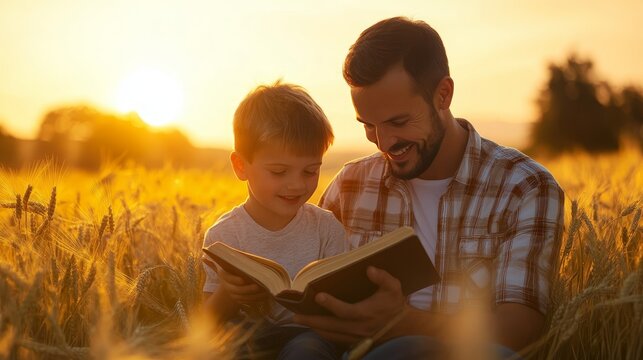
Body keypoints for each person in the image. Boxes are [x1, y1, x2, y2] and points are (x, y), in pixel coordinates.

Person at [294, 17, 565, 359]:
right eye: (369, 126)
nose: (384, 142)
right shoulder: (348, 187)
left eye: (398, 121)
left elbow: (517, 329)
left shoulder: (524, 187)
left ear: (443, 95)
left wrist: (403, 324)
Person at [201, 82, 347, 359]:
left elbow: (342, 310)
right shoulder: (224, 236)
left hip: (307, 334)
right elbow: (207, 321)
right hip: (247, 333)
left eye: (310, 171)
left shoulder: (327, 229)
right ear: (241, 166)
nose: (296, 185)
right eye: (279, 172)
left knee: (307, 351)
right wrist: (230, 294)